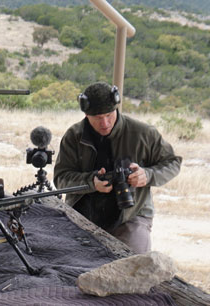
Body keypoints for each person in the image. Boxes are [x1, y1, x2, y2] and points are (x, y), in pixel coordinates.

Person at [54, 82, 181, 254]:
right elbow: (61, 178)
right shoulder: (74, 136)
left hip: (131, 215)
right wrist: (91, 182)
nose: (105, 123)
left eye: (109, 115)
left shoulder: (143, 133)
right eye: (98, 118)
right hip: (82, 215)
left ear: (116, 108)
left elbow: (172, 162)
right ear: (86, 114)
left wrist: (147, 175)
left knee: (134, 265)